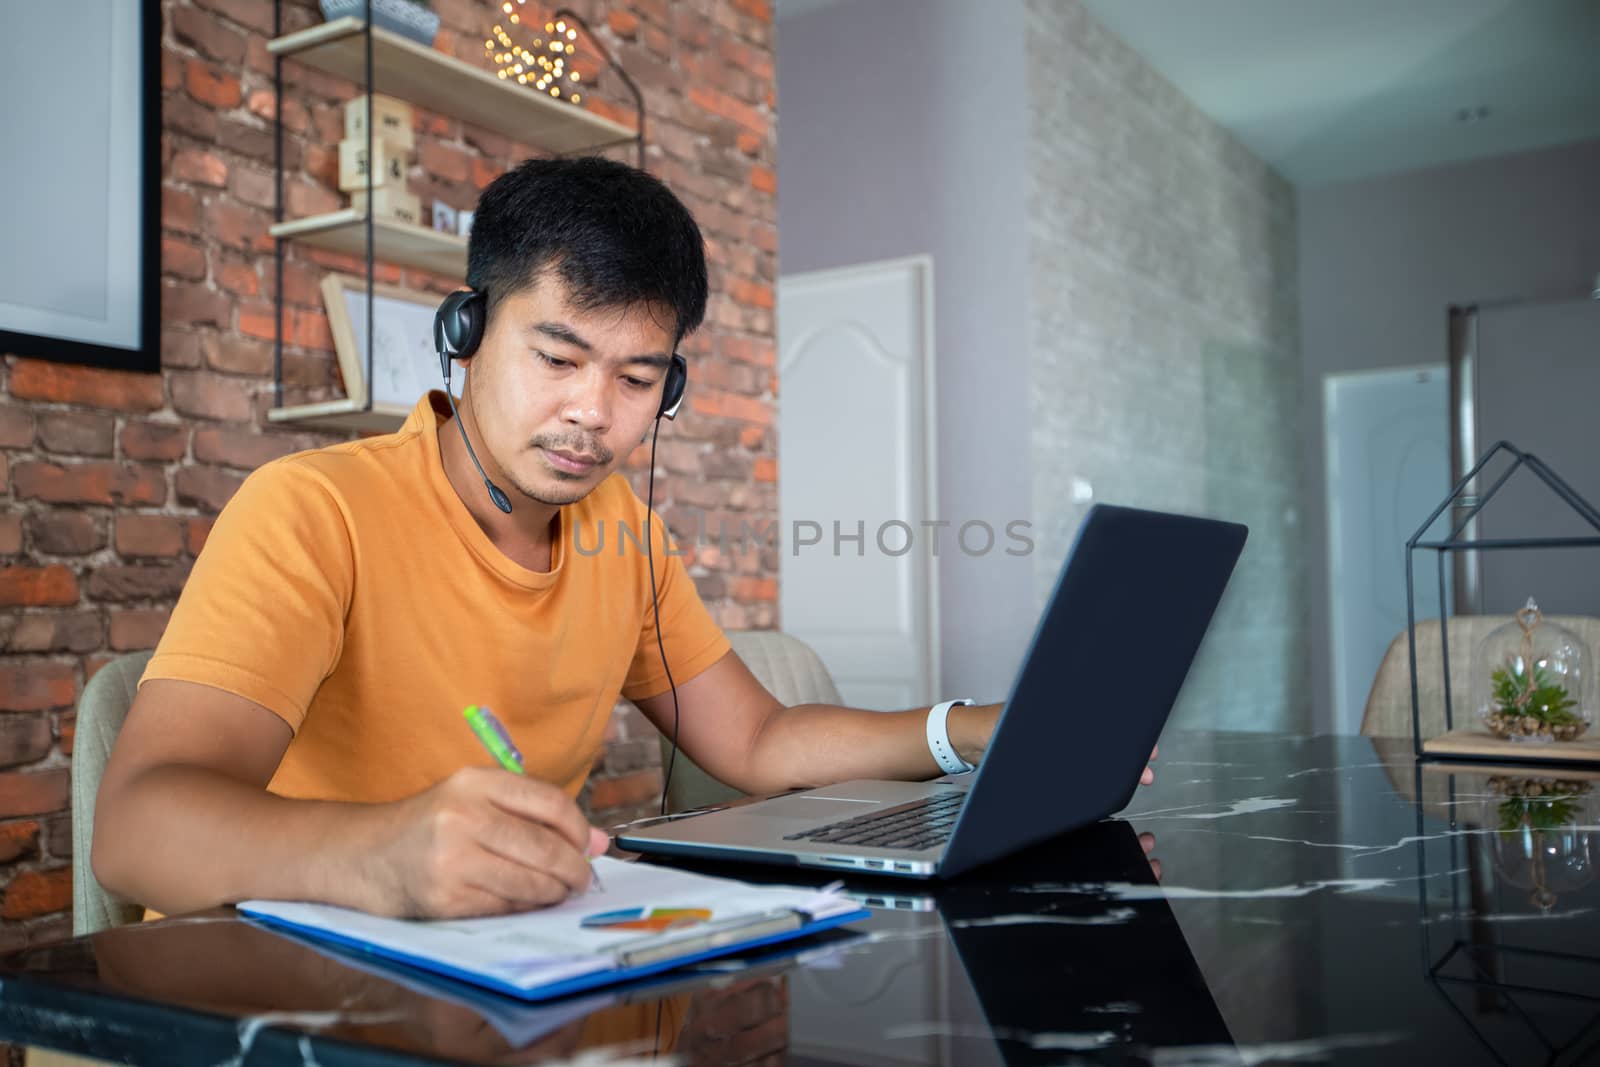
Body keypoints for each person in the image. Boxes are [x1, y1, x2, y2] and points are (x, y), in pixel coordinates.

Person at [93, 157, 1153, 921]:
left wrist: (976, 728)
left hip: (516, 967)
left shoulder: (622, 538)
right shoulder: (312, 510)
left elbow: (759, 742)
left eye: (637, 378)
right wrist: (378, 854)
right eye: (556, 355)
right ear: (466, 334)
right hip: (276, 984)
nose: (593, 413)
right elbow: (136, 831)